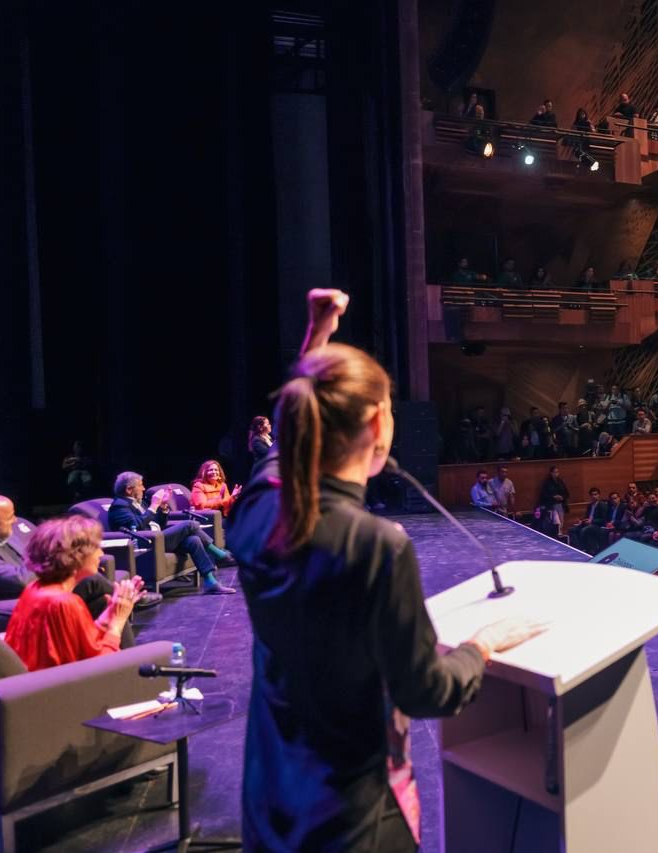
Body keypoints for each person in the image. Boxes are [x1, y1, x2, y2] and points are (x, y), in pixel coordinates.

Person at [227, 288, 547, 850]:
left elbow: (287, 438)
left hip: (272, 798)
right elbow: (426, 692)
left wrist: (316, 343)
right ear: (379, 422)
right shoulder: (375, 546)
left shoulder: (259, 506)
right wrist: (484, 645)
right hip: (352, 820)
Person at [0, 492, 157, 614]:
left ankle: (115, 658)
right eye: (10, 518)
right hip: (11, 608)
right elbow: (21, 581)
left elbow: (33, 560)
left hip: (39, 595)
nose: (15, 521)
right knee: (92, 583)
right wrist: (66, 560)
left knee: (102, 598)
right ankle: (126, 600)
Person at [3, 515, 143, 671]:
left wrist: (109, 614)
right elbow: (99, 665)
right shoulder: (64, 602)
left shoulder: (35, 589)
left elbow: (82, 644)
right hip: (61, 684)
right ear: (76, 555)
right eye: (97, 548)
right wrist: (118, 621)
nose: (101, 554)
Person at [109, 471, 236, 595]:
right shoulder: (119, 507)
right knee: (190, 524)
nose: (143, 488)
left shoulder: (140, 502)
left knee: (193, 540)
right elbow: (136, 527)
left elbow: (160, 523)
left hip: (159, 538)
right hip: (147, 544)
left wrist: (163, 506)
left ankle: (210, 582)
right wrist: (153, 506)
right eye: (140, 485)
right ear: (129, 490)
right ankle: (220, 554)